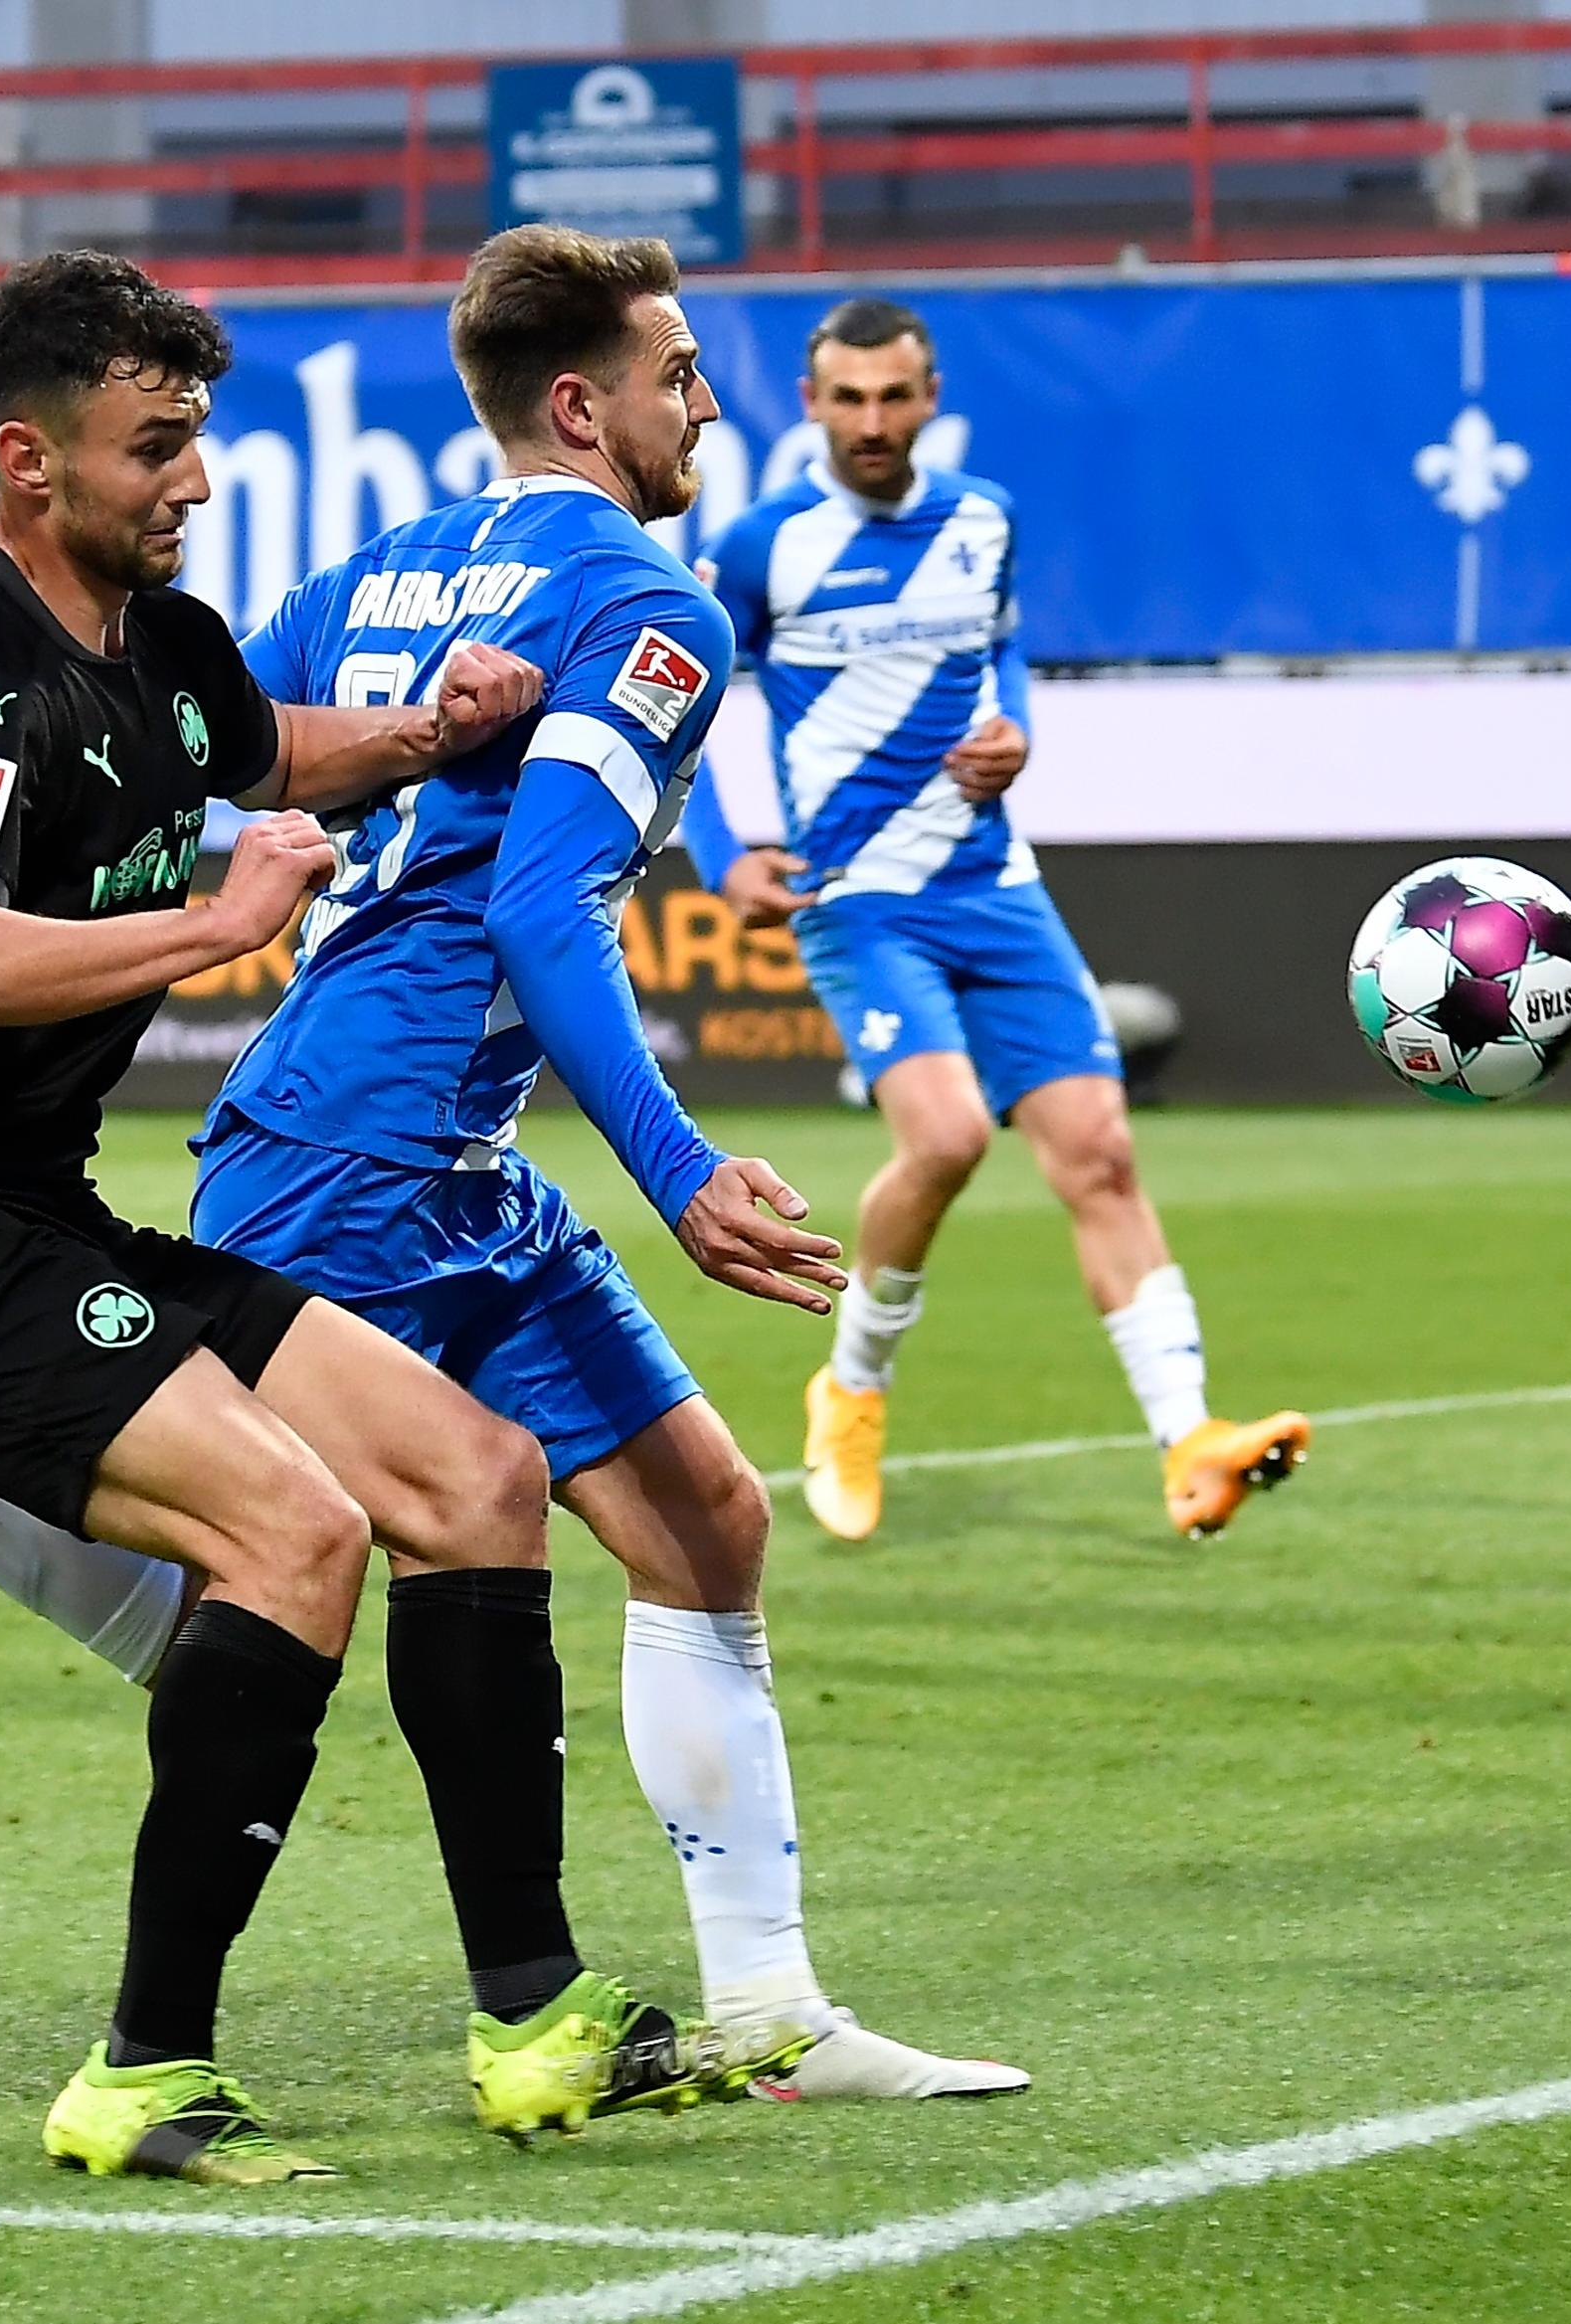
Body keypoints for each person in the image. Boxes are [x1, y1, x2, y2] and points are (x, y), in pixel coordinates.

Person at [0, 251, 751, 2182]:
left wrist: (436, 723)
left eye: (200, 434)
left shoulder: (163, 644)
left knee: (472, 1475)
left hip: (39, 1220)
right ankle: (142, 2067)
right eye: (156, 446)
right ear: (27, 462)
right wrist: (218, 923)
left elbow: (274, 748)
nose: (194, 477)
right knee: (291, 1531)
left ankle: (541, 2025)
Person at [202, 227, 1023, 2098]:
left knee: (705, 1517)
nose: (711, 401)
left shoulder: (375, 570)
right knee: (219, 1575)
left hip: (442, 1155)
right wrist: (677, 1166)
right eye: (676, 372)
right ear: (582, 404)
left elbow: (214, 756)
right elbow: (540, 903)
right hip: (353, 1158)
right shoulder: (644, 595)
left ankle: (768, 2009)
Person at [681, 296, 1308, 1545]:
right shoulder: (762, 547)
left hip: (994, 887)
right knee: (952, 1135)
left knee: (1101, 1152)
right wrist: (713, 860)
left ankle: (1189, 1439)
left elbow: (1001, 653)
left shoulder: (984, 519)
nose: (870, 420)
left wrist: (1016, 728)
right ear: (810, 404)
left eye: (892, 396)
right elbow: (684, 699)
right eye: (846, 398)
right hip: (859, 901)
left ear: (929, 397)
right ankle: (850, 1391)